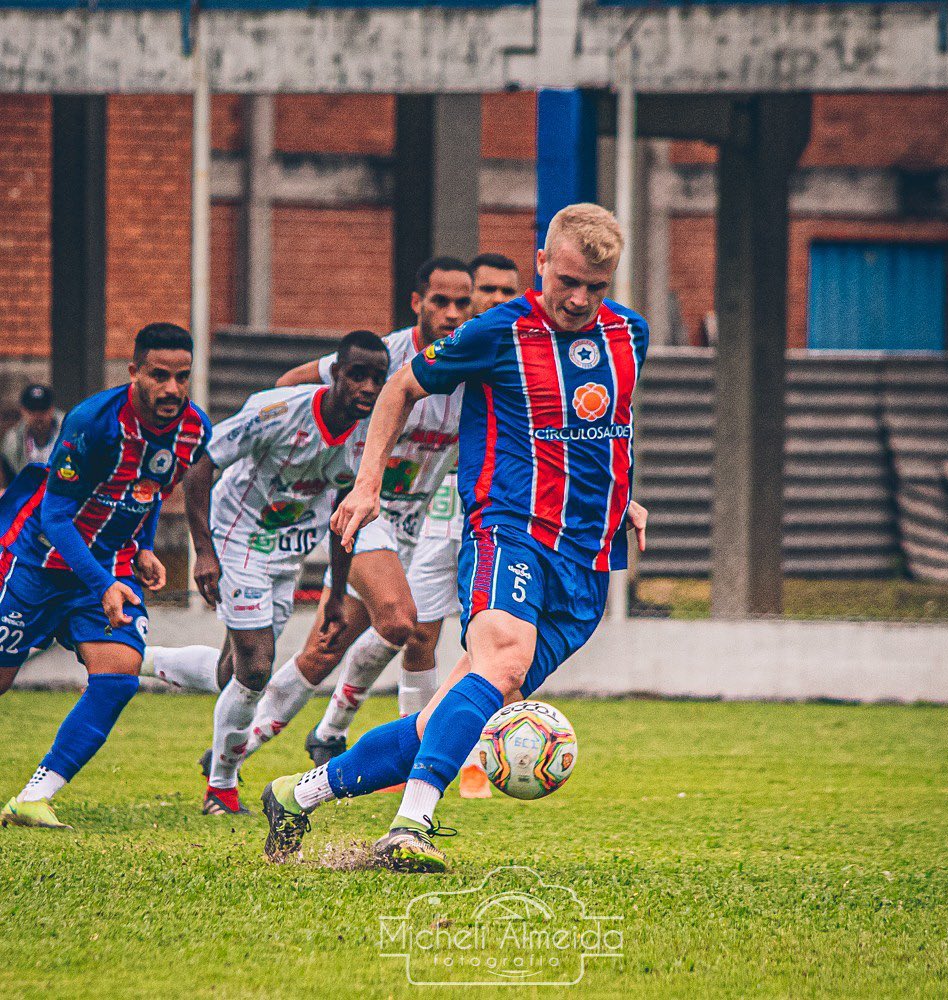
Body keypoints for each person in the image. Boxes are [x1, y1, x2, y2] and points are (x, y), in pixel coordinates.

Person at [260, 203, 649, 873]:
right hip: (510, 531)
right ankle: (410, 826)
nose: (581, 300)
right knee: (501, 661)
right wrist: (366, 485)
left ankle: (297, 794)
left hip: (588, 559)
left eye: (598, 287)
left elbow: (603, 427)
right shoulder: (498, 331)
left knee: (453, 714)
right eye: (570, 282)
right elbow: (400, 387)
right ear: (543, 264)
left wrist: (623, 495)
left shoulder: (629, 335)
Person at [0, 324, 211, 829]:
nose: (172, 389)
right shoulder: (92, 422)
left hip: (112, 563)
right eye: (159, 375)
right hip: (43, 564)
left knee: (116, 680)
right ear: (134, 372)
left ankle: (33, 797)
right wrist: (102, 584)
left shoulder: (193, 428)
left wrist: (141, 547)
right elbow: (54, 517)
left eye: (182, 377)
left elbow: (152, 489)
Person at [170, 330, 389, 815]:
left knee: (233, 670)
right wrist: (204, 552)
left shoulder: (368, 436)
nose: (368, 388)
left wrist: (336, 591)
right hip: (235, 536)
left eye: (377, 378)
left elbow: (343, 511)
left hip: (286, 551)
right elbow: (199, 470)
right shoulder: (276, 410)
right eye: (358, 375)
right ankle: (221, 788)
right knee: (255, 667)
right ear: (335, 373)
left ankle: (137, 659)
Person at [406, 252, 521, 799]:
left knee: (493, 644)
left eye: (509, 291)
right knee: (412, 632)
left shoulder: (521, 345)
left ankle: (476, 758)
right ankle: (370, 734)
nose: (498, 300)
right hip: (435, 515)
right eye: (488, 290)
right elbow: (389, 386)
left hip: (498, 519)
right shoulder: (456, 347)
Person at [0, 384, 65, 489]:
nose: (38, 416)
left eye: (43, 410)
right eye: (32, 411)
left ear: (52, 409)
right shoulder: (12, 441)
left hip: (61, 493)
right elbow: (9, 482)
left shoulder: (68, 433)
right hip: (28, 496)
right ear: (23, 411)